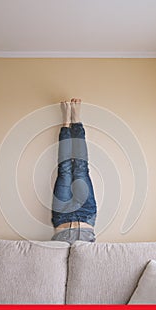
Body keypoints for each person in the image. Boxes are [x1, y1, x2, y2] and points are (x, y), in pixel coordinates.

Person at [51, 98, 97, 244]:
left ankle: (66, 123)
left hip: (62, 215)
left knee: (64, 169)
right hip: (86, 213)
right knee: (81, 169)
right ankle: (76, 121)